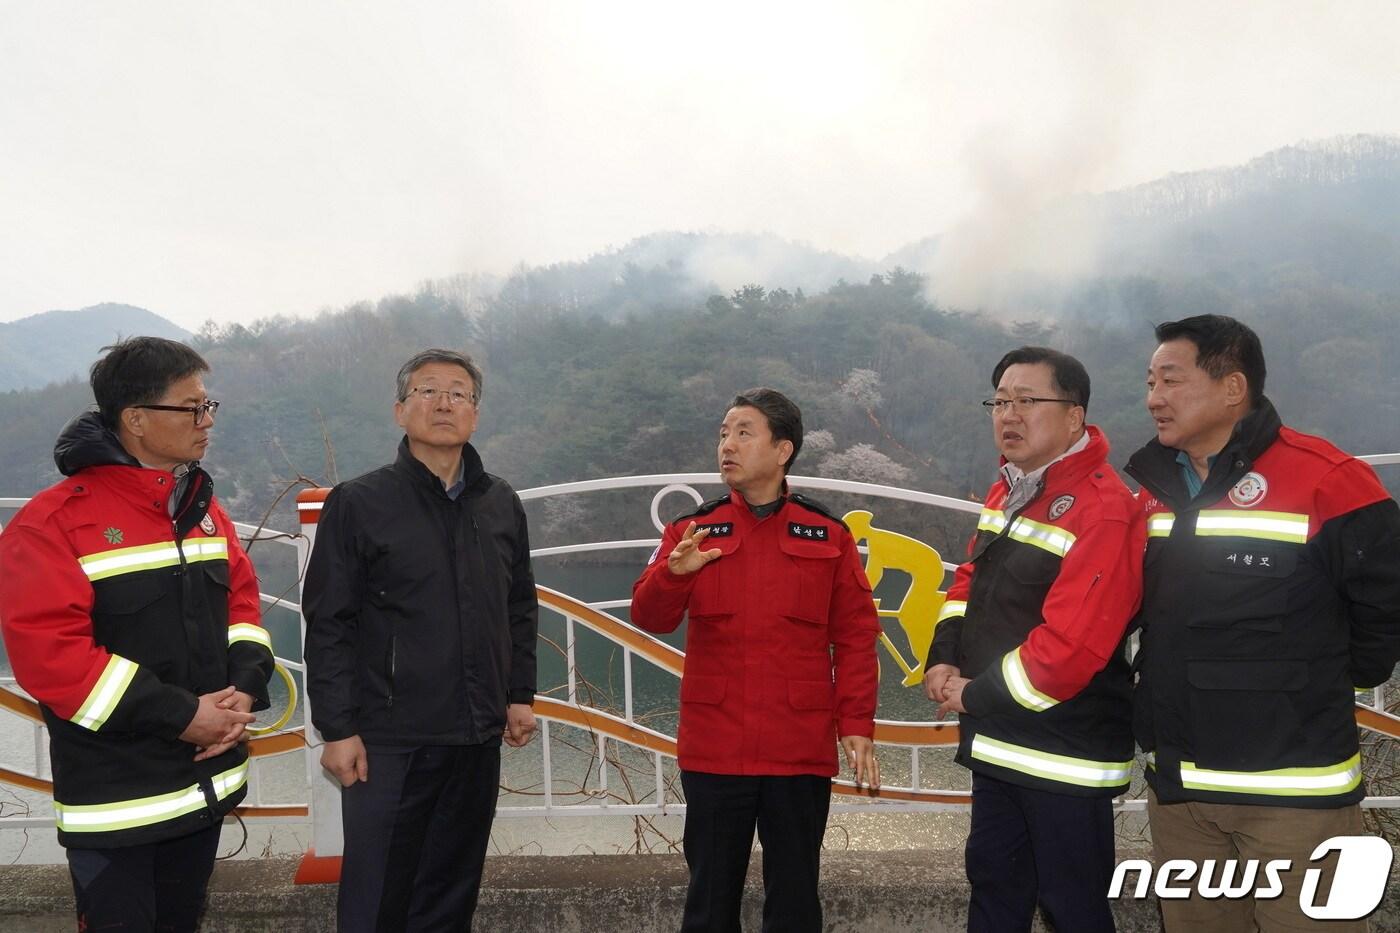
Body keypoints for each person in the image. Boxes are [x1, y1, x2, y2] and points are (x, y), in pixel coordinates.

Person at [1126, 314, 1400, 931]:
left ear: (1232, 388)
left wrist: (1306, 683)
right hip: (1182, 798)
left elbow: (1382, 612)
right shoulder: (1153, 488)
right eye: (1149, 382)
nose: (1153, 398)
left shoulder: (1329, 479)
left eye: (1170, 380)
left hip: (1295, 796)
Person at [0, 337, 274, 932]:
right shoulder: (51, 524)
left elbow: (244, 604)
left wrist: (245, 689)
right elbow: (53, 660)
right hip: (118, 805)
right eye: (191, 407)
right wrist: (183, 715)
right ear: (136, 419)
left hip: (206, 788)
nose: (207, 421)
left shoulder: (197, 506)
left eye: (209, 406)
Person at [303, 348, 538, 933]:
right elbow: (329, 622)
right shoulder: (359, 503)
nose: (444, 403)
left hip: (475, 735)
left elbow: (518, 607)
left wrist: (519, 695)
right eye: (427, 391)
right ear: (400, 411)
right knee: (377, 897)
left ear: (475, 416)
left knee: (450, 894)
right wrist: (337, 729)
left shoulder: (499, 502)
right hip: (390, 740)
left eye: (459, 393)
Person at [630, 387, 880, 933]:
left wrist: (857, 723)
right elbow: (647, 616)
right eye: (724, 432)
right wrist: (675, 574)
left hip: (799, 749)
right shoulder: (692, 530)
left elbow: (858, 635)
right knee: (710, 902)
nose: (728, 444)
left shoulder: (827, 534)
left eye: (744, 432)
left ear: (783, 449)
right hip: (716, 747)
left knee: (794, 903)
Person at [923, 347, 1144, 932]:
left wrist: (973, 696)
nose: (1008, 414)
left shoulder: (1103, 509)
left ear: (1075, 416)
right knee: (994, 893)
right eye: (999, 401)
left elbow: (1071, 648)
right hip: (1000, 745)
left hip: (1064, 756)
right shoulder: (1012, 490)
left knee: (1072, 909)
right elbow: (971, 580)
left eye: (1027, 401)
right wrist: (943, 657)